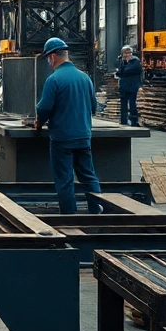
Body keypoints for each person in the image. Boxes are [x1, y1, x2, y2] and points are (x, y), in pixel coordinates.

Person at [35, 37, 103, 214]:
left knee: (65, 180)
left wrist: (38, 123)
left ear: (52, 57)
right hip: (83, 137)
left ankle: (69, 216)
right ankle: (97, 211)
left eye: (48, 59)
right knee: (89, 176)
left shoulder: (54, 79)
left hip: (62, 139)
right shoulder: (85, 78)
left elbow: (43, 108)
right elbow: (93, 107)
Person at [115, 45, 144, 127]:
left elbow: (128, 70)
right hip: (123, 86)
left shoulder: (135, 61)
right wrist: (121, 71)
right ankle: (123, 121)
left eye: (126, 53)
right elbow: (119, 72)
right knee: (123, 104)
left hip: (132, 86)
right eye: (123, 53)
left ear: (130, 53)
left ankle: (134, 121)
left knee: (132, 104)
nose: (125, 55)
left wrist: (122, 71)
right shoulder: (123, 61)